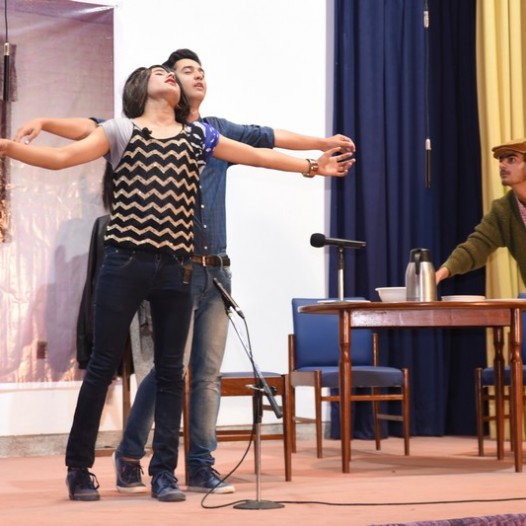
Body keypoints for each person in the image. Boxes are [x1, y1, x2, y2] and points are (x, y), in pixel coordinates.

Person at [2, 64, 354, 503]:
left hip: (176, 267)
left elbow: (257, 154)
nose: (169, 75)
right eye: (160, 71)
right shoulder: (120, 131)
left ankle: (164, 473)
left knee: (172, 372)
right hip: (124, 262)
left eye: (173, 73)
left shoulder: (199, 136)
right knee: (103, 366)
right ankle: (79, 468)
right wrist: (6, 147)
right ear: (140, 87)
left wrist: (313, 165)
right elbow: (60, 159)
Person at [436, 137, 526, 285]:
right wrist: (442, 272)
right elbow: (477, 245)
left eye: (511, 160)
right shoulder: (503, 210)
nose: (502, 165)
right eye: (501, 160)